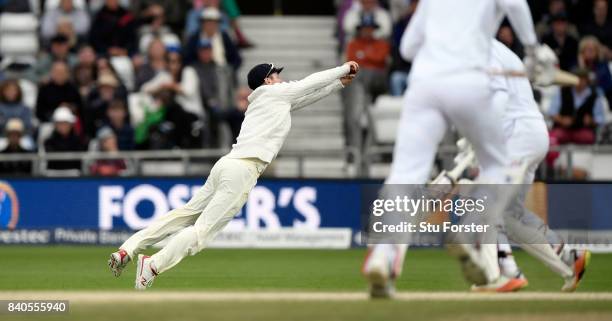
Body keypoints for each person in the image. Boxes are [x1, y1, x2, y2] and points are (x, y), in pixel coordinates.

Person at [108, 61, 359, 290]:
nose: (281, 79)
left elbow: (304, 99)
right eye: (276, 75)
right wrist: (343, 68)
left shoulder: (268, 100)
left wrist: (337, 85)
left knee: (184, 214)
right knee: (201, 232)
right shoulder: (275, 93)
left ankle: (126, 250)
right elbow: (309, 83)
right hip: (244, 169)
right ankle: (152, 265)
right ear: (267, 80)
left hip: (227, 164)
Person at [362, 0, 539, 297]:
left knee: (405, 173)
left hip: (424, 85)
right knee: (500, 166)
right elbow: (516, 4)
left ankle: (383, 254)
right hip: (470, 81)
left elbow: (406, 48)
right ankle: (469, 232)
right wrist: (533, 49)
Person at [485, 40, 590, 293]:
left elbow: (495, 102)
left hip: (517, 135)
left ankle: (507, 272)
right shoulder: (501, 49)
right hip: (533, 132)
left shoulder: (481, 49)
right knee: (511, 215)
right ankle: (570, 255)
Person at [342, 14, 390, 155]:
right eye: (365, 28)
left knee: (363, 75)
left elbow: (380, 59)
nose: (367, 31)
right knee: (357, 79)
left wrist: (364, 56)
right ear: (360, 29)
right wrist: (369, 57)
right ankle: (357, 147)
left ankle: (361, 102)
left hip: (377, 83)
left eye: (370, 28)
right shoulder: (353, 44)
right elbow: (351, 62)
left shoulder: (382, 43)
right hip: (360, 85)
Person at [546, 68, 606, 169]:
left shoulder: (595, 95)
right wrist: (561, 120)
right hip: (563, 130)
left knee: (588, 137)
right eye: (577, 78)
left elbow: (600, 118)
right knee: (552, 137)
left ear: (587, 80)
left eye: (583, 79)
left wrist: (591, 121)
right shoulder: (561, 91)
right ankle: (553, 166)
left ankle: (582, 166)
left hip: (583, 131)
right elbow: (552, 112)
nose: (580, 82)